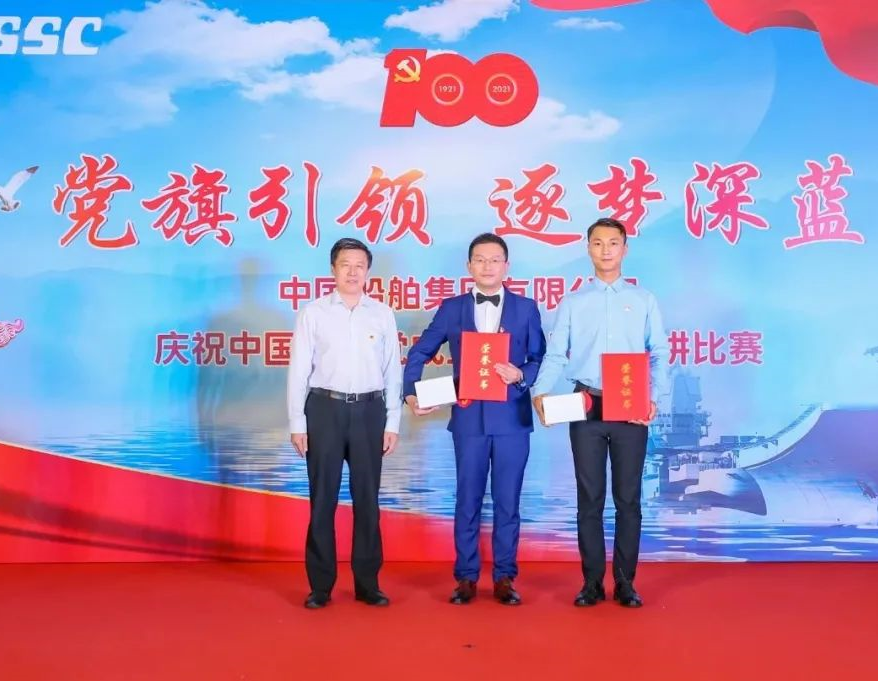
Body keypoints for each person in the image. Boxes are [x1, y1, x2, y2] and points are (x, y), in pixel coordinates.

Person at [531, 217, 669, 608]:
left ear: (625, 249)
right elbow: (556, 354)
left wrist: (654, 397)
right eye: (597, 243)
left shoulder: (643, 300)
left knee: (628, 499)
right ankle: (591, 582)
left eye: (613, 243)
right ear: (588, 248)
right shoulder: (574, 302)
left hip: (631, 405)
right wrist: (540, 392)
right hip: (586, 404)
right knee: (589, 498)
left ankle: (626, 583)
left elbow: (659, 352)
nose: (605, 250)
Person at [403, 233, 546, 605]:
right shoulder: (452, 309)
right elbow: (419, 352)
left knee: (507, 501)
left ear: (506, 266)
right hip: (468, 420)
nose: (487, 266)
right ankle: (466, 577)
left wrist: (521, 375)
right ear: (469, 266)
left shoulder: (526, 308)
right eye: (480, 259)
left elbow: (539, 359)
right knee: (467, 499)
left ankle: (504, 577)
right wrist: (411, 391)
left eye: (495, 259)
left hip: (512, 420)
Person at [287, 238, 402, 609]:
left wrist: (393, 421)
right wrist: (297, 422)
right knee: (323, 500)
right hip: (325, 409)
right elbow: (299, 370)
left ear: (368, 271)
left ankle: (368, 583)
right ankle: (320, 586)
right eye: (345, 265)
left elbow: (393, 370)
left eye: (359, 266)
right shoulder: (314, 313)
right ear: (333, 269)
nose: (353, 272)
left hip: (370, 411)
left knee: (367, 500)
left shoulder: (381, 314)